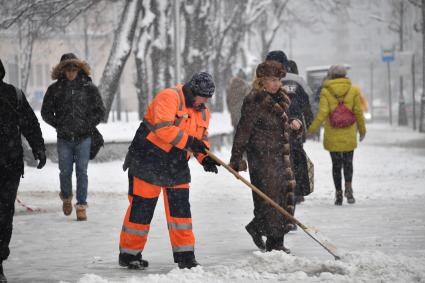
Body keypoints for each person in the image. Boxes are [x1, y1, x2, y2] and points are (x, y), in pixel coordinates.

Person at [119, 72, 220, 270]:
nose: (205, 101)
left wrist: (205, 157)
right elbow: (163, 129)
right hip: (148, 158)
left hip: (177, 163)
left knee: (181, 210)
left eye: (208, 97)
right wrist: (192, 143)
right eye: (202, 96)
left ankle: (185, 256)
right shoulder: (169, 97)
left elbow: (201, 139)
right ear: (192, 91)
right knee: (141, 209)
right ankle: (129, 254)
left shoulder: (203, 112)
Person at [229, 61, 298, 253]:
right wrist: (236, 158)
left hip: (281, 156)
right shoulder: (254, 100)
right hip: (262, 157)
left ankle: (266, 234)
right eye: (271, 80)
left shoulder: (282, 100)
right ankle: (274, 243)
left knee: (282, 197)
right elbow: (243, 131)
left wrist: (295, 125)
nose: (275, 84)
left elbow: (283, 129)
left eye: (278, 80)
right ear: (261, 81)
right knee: (269, 200)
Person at [41, 53, 105, 221]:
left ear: (79, 69)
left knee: (82, 172)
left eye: (74, 68)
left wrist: (87, 125)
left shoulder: (88, 88)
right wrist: (59, 125)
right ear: (62, 70)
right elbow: (45, 112)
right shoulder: (54, 89)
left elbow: (100, 111)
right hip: (64, 138)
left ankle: (81, 205)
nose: (71, 72)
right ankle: (67, 198)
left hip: (84, 138)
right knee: (65, 171)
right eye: (67, 69)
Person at [0, 59, 46, 283]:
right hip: (10, 164)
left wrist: (38, 148)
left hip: (9, 166)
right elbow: (30, 123)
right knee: (4, 214)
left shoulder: (13, 95)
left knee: (4, 214)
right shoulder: (14, 95)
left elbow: (30, 123)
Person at [307, 65, 366, 205]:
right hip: (349, 134)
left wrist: (311, 130)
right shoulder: (353, 90)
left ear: (331, 76)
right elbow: (358, 112)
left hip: (332, 134)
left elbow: (322, 114)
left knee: (336, 165)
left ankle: (338, 194)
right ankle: (349, 188)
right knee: (348, 162)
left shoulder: (326, 92)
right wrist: (362, 130)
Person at [266, 52, 314, 208]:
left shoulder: (264, 82)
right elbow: (307, 103)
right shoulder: (297, 81)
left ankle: (281, 208)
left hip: (271, 133)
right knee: (291, 167)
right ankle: (290, 205)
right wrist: (308, 123)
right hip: (293, 130)